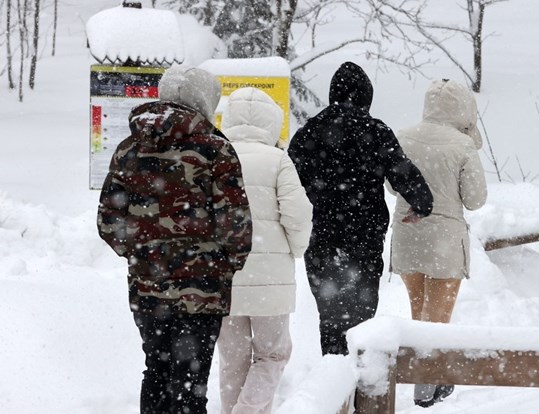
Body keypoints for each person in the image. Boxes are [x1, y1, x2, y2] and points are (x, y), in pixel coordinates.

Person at [97, 66, 253, 414]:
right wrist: (223, 265)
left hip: (147, 290)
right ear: (203, 99)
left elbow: (109, 222)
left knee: (155, 370)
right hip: (203, 288)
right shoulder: (215, 150)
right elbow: (236, 227)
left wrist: (142, 255)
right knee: (189, 384)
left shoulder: (128, 149)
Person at [288, 61, 434, 355]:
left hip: (321, 239)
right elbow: (403, 173)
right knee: (361, 322)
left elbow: (289, 185)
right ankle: (358, 386)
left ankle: (333, 377)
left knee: (329, 319)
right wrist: (421, 204)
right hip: (363, 239)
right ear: (366, 96)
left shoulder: (308, 134)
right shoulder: (376, 131)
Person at [389, 79, 487, 407]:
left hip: (408, 234)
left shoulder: (403, 136)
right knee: (438, 318)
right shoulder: (462, 145)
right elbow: (475, 199)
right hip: (444, 240)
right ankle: (425, 387)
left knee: (420, 312)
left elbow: (393, 187)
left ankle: (431, 376)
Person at [216, 87, 313, 414]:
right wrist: (297, 248)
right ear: (272, 122)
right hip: (270, 278)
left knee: (233, 357)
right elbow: (298, 214)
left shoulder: (215, 155)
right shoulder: (278, 160)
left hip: (224, 276)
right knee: (272, 354)